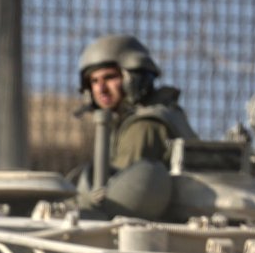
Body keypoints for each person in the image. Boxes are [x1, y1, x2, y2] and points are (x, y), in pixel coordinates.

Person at [75, 34, 198, 220]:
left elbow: (125, 194)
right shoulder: (165, 113)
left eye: (109, 77)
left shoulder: (144, 125)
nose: (101, 89)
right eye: (94, 81)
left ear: (132, 77)